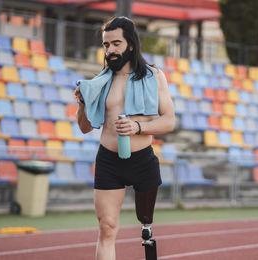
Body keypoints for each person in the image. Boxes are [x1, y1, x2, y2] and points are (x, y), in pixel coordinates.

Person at [74, 16, 175, 260]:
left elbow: (169, 121)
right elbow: (85, 128)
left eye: (116, 43)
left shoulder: (154, 76)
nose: (110, 50)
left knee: (146, 226)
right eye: (106, 45)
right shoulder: (99, 82)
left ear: (130, 44)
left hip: (142, 160)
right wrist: (81, 105)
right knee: (107, 227)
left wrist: (137, 126)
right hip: (109, 161)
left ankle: (147, 231)